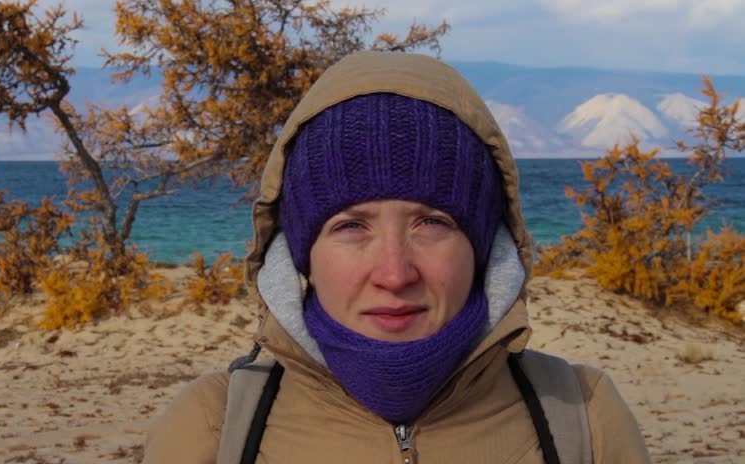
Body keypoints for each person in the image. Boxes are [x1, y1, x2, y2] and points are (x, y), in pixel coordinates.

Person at [143, 51, 651, 463]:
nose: (393, 273)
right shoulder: (212, 429)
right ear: (301, 256)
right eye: (350, 226)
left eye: (432, 223)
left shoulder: (583, 417)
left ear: (482, 246)